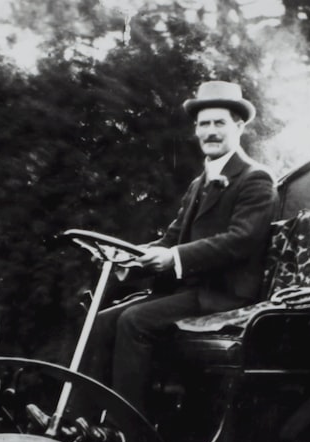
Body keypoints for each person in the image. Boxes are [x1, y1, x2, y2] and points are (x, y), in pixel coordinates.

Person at [82, 80, 278, 418]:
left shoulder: (255, 179)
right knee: (101, 322)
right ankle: (79, 423)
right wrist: (128, 258)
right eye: (204, 124)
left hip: (225, 295)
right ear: (196, 129)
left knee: (134, 320)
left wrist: (174, 258)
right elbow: (172, 238)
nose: (211, 132)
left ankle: (125, 431)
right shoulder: (197, 184)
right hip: (189, 291)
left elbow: (240, 240)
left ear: (239, 127)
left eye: (220, 123)